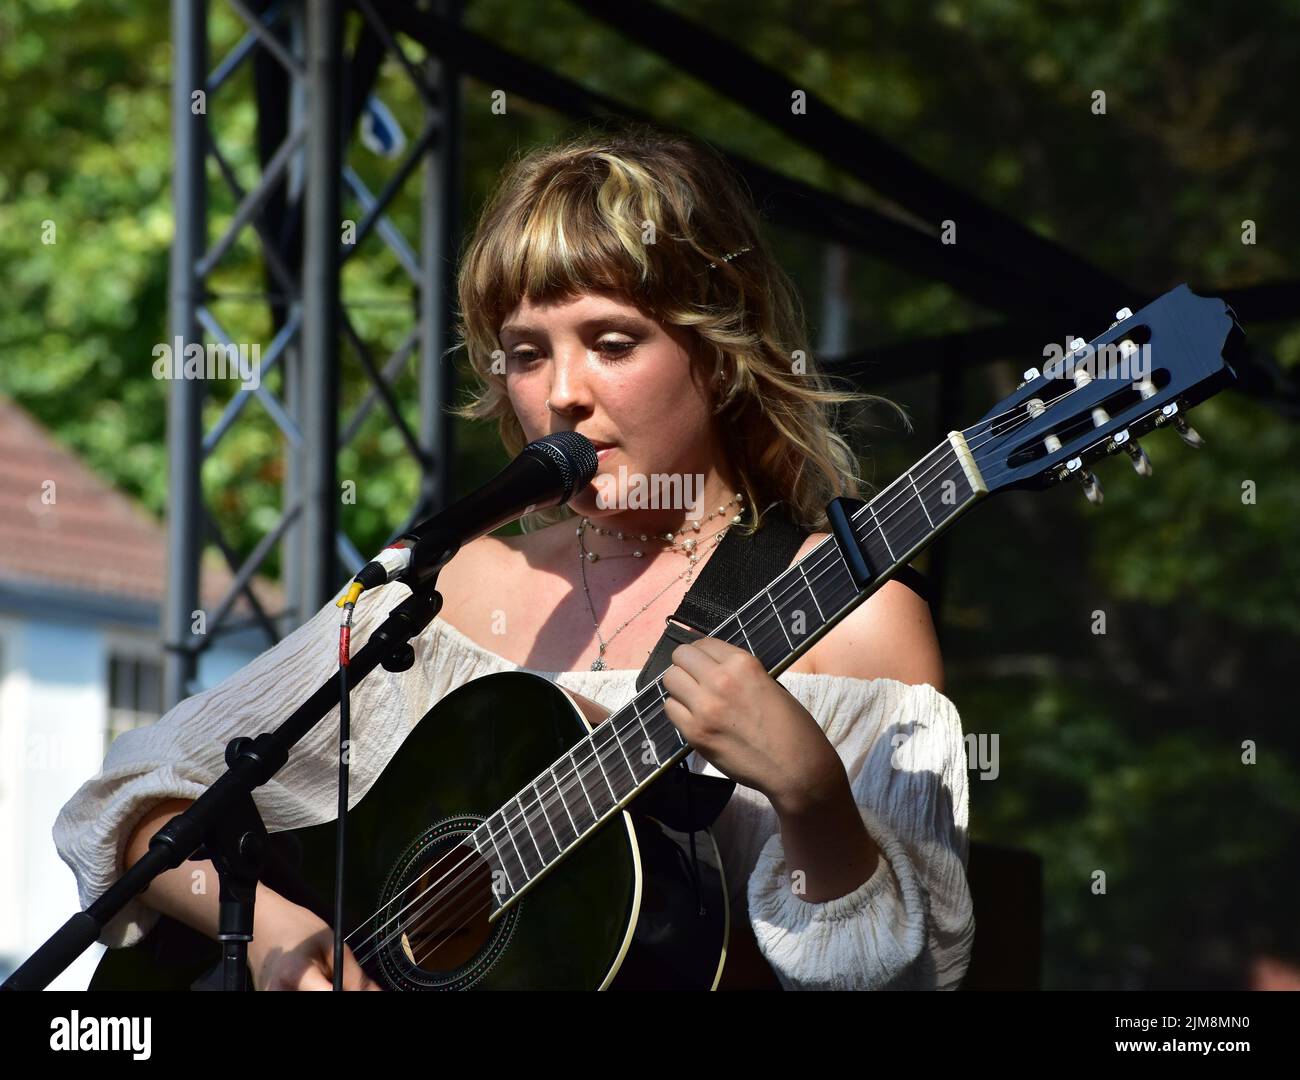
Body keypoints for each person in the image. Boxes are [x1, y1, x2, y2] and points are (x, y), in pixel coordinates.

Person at [53, 120, 974, 990]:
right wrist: (274, 937)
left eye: (613, 343)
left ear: (720, 351)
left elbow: (909, 980)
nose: (563, 393)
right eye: (526, 354)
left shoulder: (851, 618)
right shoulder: (447, 592)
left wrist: (812, 796)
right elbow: (136, 798)